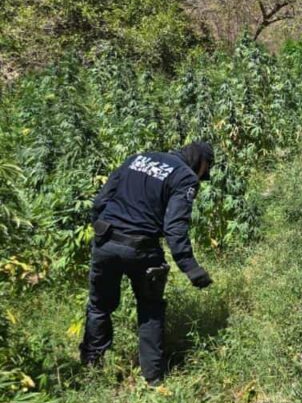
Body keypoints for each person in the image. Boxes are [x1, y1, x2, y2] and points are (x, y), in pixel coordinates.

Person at [79, 141, 216, 385]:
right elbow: (174, 228)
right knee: (150, 310)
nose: (204, 175)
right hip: (142, 250)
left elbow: (100, 200)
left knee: (99, 306)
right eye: (206, 169)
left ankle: (91, 369)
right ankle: (152, 380)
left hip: (106, 240)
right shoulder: (184, 177)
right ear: (201, 162)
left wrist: (100, 232)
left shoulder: (137, 158)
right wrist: (191, 269)